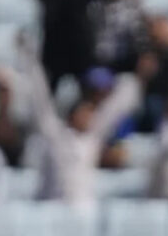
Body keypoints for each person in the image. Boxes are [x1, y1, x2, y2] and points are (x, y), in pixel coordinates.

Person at [19, 42, 150, 203]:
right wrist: (29, 61)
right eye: (83, 113)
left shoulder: (92, 138)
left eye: (90, 113)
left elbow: (119, 104)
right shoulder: (56, 135)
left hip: (83, 213)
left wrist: (140, 75)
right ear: (71, 115)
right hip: (54, 209)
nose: (87, 118)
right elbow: (41, 103)